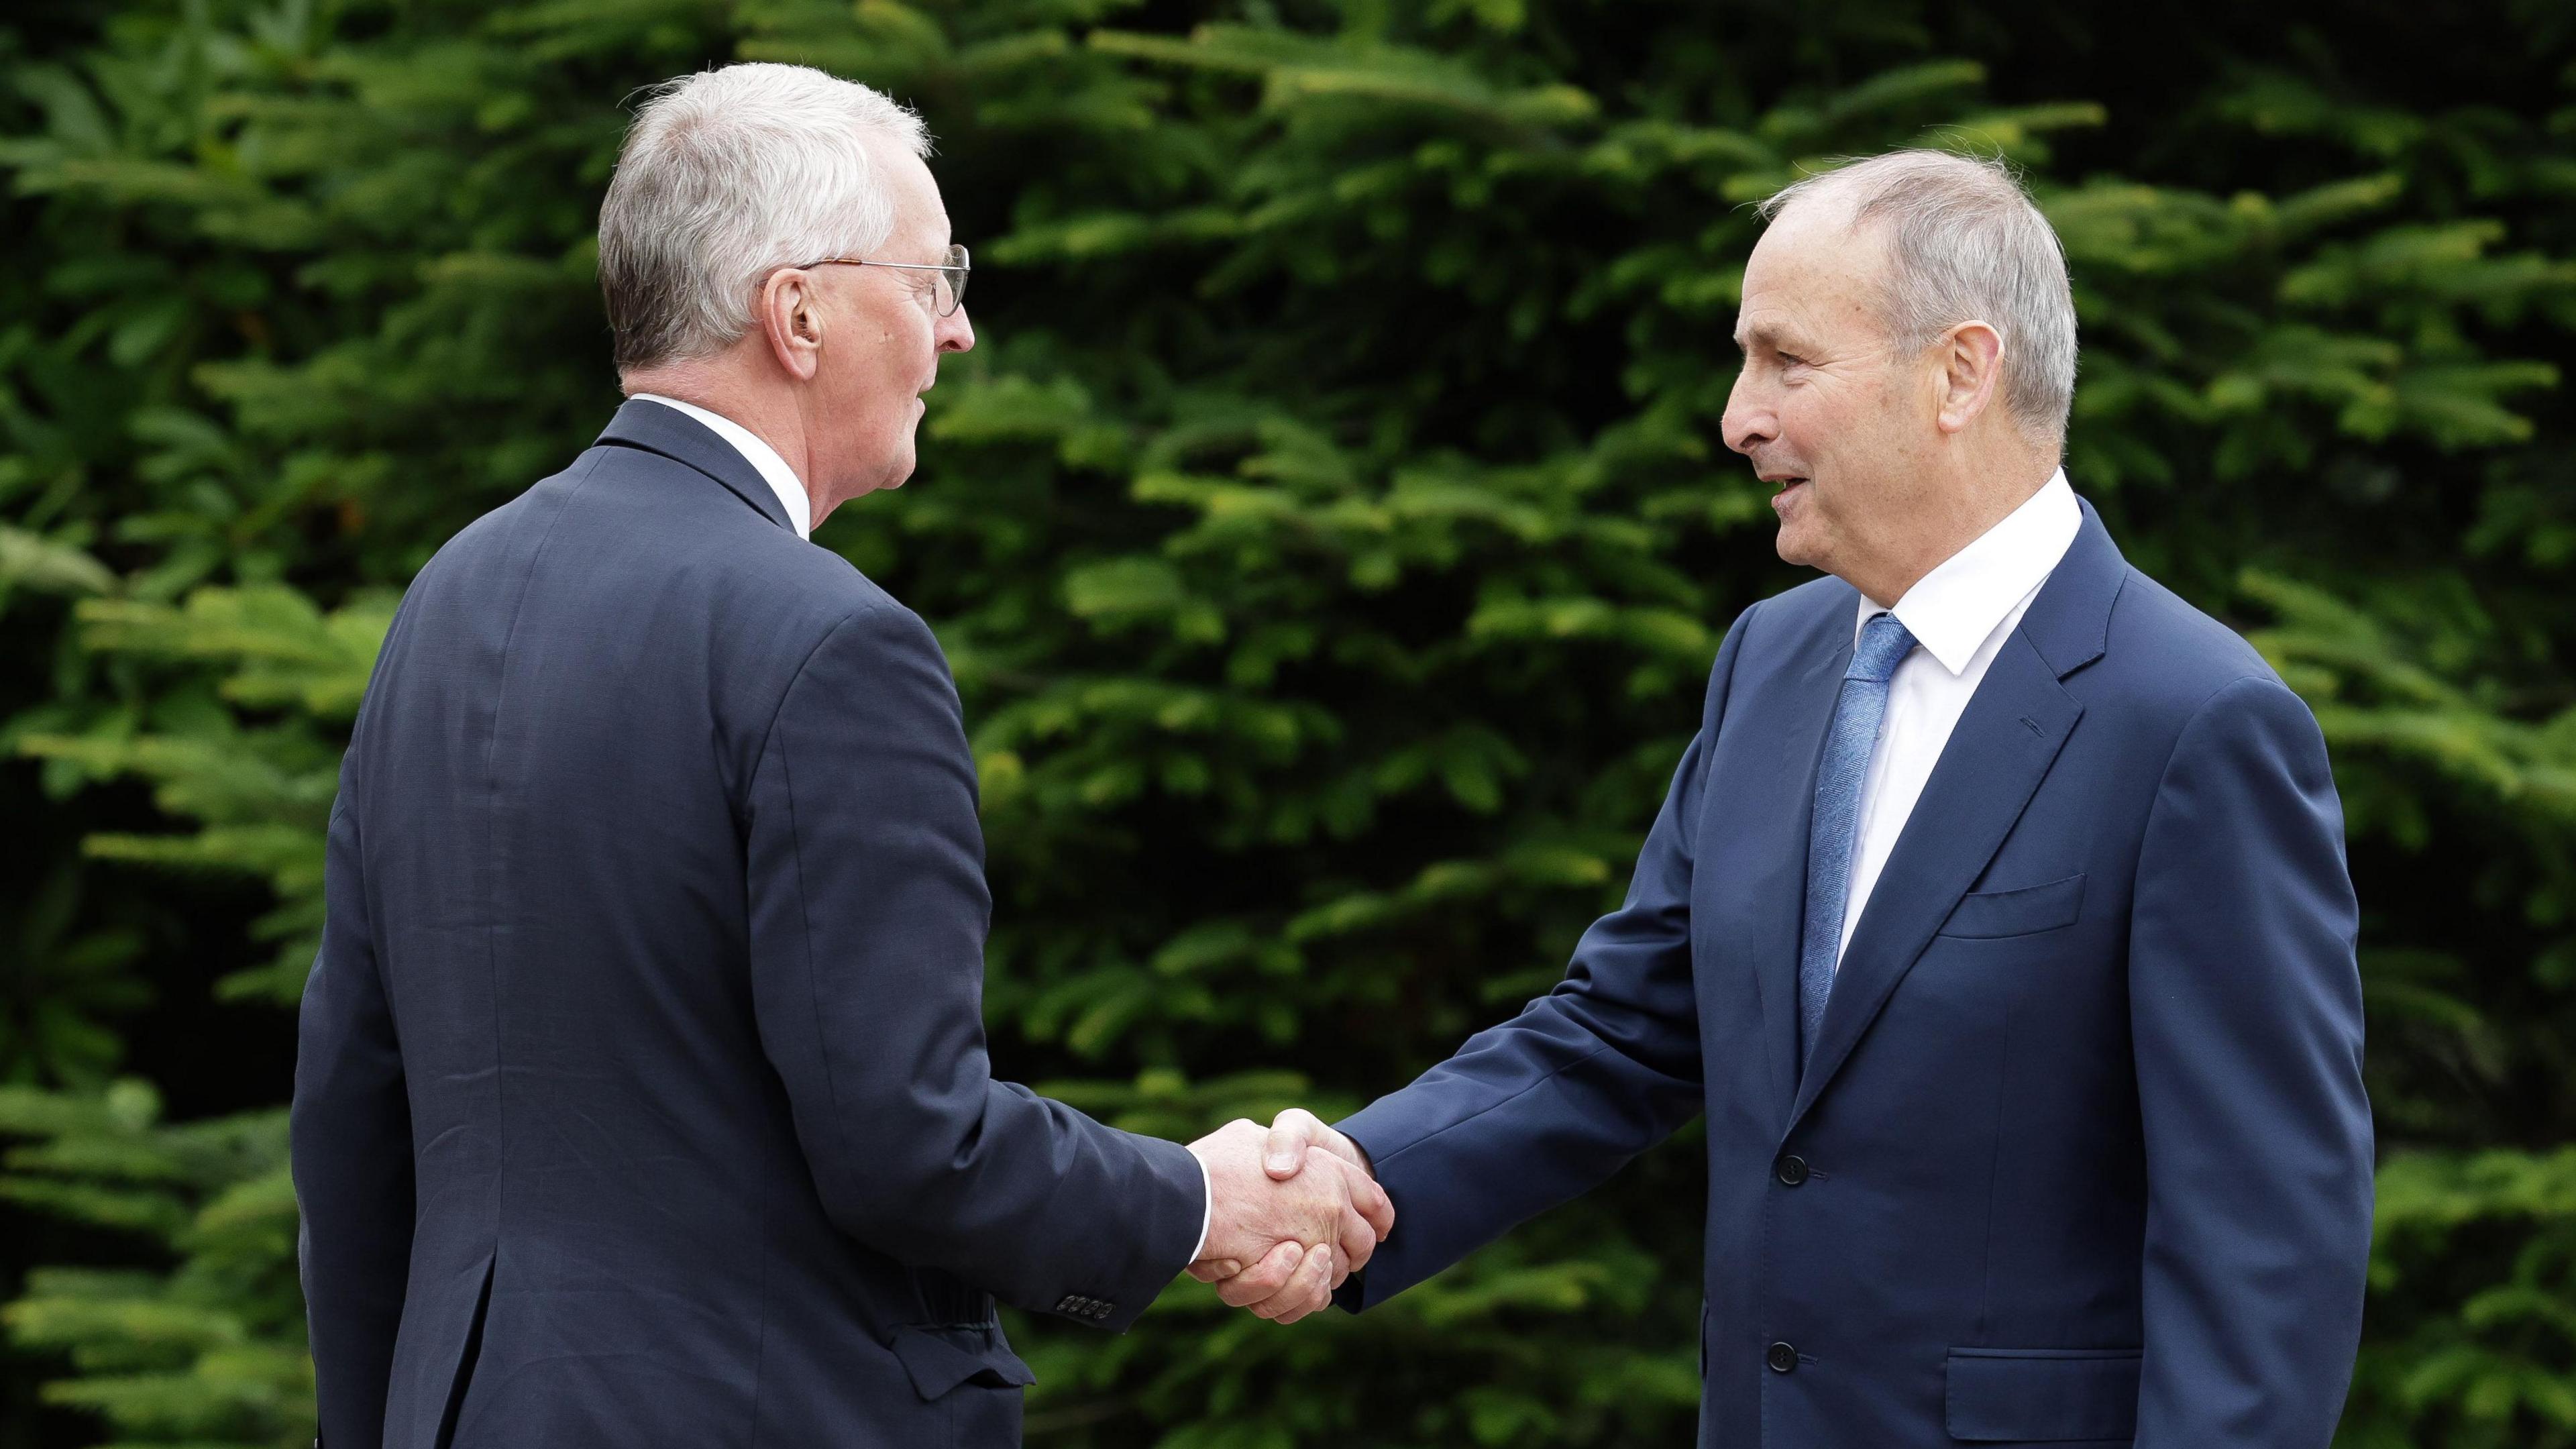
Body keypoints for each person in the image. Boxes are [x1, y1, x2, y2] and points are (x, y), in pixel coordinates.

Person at [288, 62, 1385, 1449]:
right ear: (798, 312)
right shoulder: (830, 643)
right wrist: (1199, 1199)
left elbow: (349, 1117)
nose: (959, 332)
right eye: (931, 280)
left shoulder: (448, 601)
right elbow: (909, 1145)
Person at [1232, 150, 2374, 1448]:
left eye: (1786, 363)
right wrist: (1365, 1181)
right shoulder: (1770, 664)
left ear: (1960, 373)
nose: (1736, 418)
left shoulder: (2198, 724)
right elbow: (1623, 1030)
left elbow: (2266, 1253)